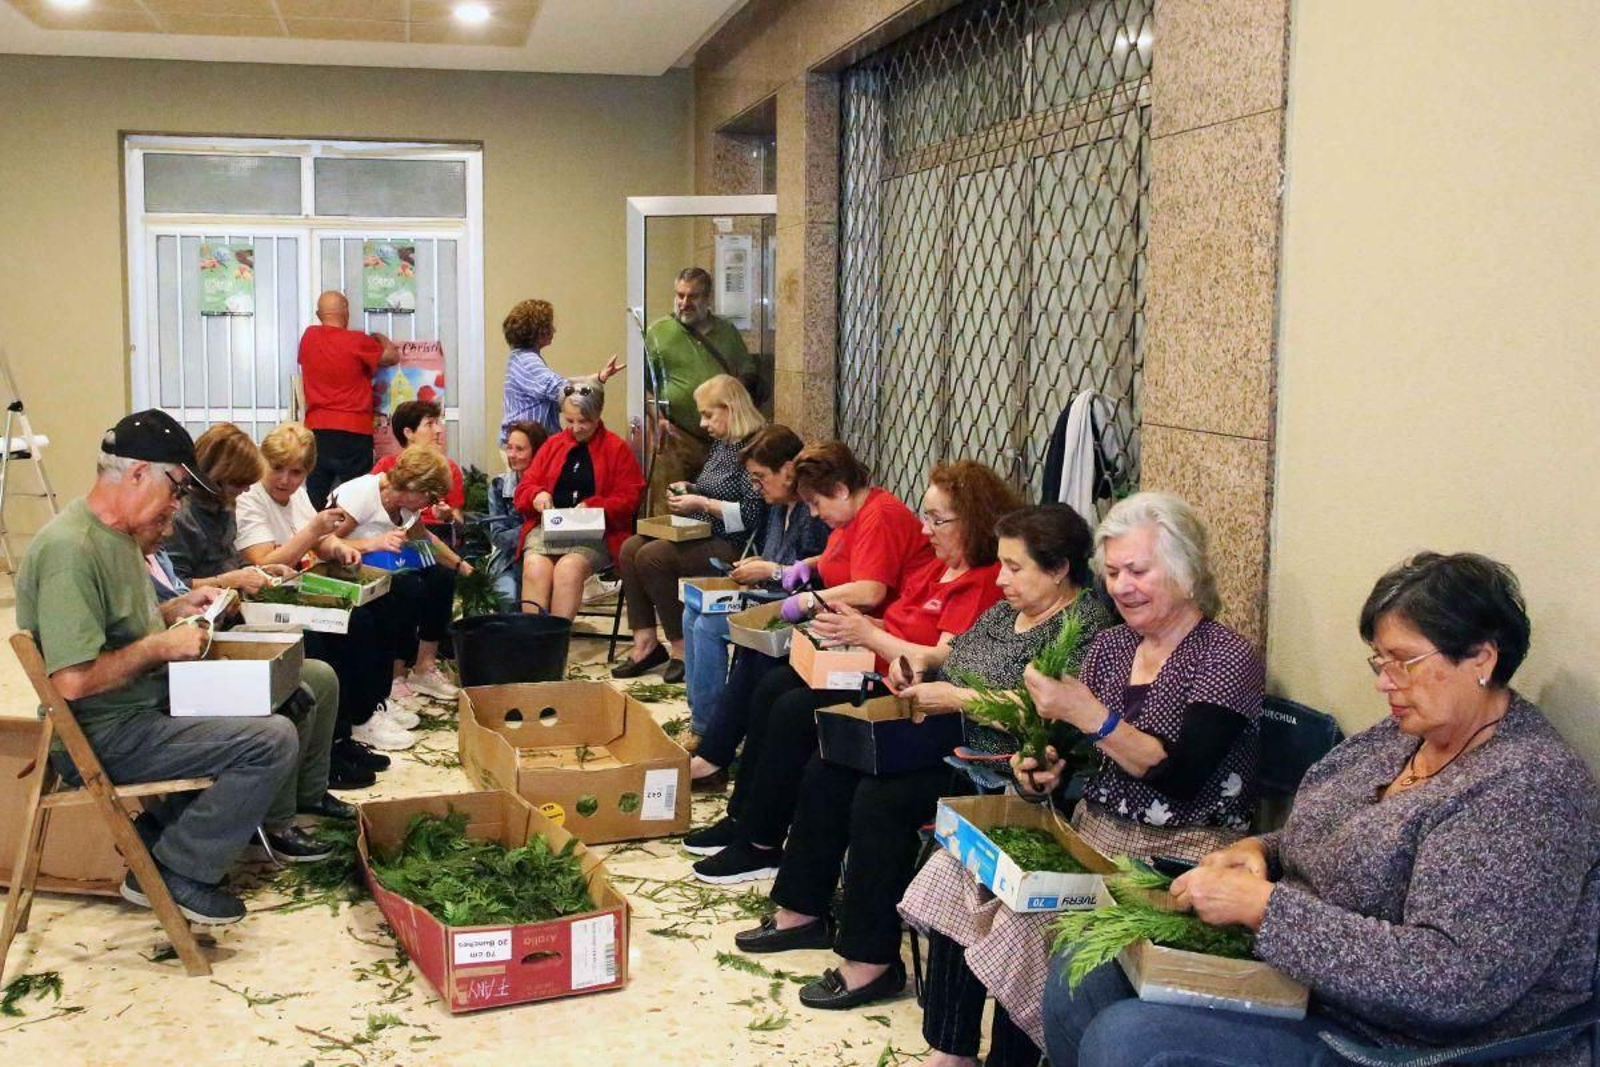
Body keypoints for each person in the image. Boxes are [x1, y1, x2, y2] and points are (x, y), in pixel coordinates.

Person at [1041, 552, 1600, 1067]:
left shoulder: (1528, 788)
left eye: (1404, 661)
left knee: (1132, 1040)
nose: (1384, 682)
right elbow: (1337, 828)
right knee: (1082, 971)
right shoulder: (1401, 736)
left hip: (1396, 1043)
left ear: (1481, 656)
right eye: (1379, 660)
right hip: (1308, 987)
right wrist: (1257, 849)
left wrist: (1266, 909)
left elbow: (1454, 981)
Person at [901, 491, 1264, 1065]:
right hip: (1091, 833)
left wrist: (1086, 713)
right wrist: (1039, 774)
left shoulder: (1225, 656)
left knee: (1026, 921)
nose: (1122, 587)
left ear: (1186, 570)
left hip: (1174, 855)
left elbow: (1180, 775)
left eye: (1138, 571)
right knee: (960, 865)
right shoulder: (1113, 646)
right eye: (1114, 572)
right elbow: (1071, 755)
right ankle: (950, 1052)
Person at [734, 504, 1114, 1013]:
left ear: (1060, 568)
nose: (1001, 578)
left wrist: (954, 699)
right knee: (831, 764)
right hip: (940, 732)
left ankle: (871, 961)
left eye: (1015, 567)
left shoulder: (1084, 626)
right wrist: (916, 670)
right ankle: (803, 908)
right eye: (1000, 564)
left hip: (994, 764)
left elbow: (1050, 716)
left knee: (881, 798)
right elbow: (954, 659)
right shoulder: (1008, 610)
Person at [13, 409, 297, 925]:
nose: (178, 502)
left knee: (285, 692)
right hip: (103, 734)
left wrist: (170, 613)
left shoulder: (117, 538)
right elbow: (72, 681)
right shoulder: (70, 550)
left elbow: (114, 633)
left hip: (140, 708)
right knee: (270, 740)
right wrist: (160, 647)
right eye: (176, 487)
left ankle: (161, 837)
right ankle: (177, 870)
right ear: (139, 472)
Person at [687, 457, 1012, 886]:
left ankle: (761, 841)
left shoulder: (981, 580)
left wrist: (865, 632)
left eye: (937, 519)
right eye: (925, 516)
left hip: (898, 691)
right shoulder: (937, 565)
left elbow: (937, 658)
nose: (924, 530)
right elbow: (895, 617)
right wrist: (848, 624)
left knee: (793, 711)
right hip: (868, 662)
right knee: (769, 685)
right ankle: (746, 820)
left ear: (973, 520)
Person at [156, 424, 350, 850]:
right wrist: (233, 578)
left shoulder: (221, 506)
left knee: (322, 677)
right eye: (239, 484)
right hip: (194, 646)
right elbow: (176, 591)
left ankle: (309, 793)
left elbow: (226, 573)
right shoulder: (180, 517)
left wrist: (258, 575)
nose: (245, 492)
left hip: (224, 624)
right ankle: (277, 825)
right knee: (289, 690)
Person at [233, 421, 398, 783]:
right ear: (263, 463)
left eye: (296, 472)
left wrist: (338, 548)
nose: (286, 480)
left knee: (369, 620)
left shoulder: (297, 495)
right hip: (264, 605)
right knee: (324, 647)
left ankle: (354, 724)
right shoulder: (249, 501)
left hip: (299, 595)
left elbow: (320, 540)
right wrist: (313, 532)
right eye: (277, 469)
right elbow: (265, 561)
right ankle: (329, 747)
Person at [681, 424, 829, 752]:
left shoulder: (813, 513)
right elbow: (774, 556)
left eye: (761, 476)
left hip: (794, 605)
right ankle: (700, 714)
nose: (756, 486)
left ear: (788, 471)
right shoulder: (776, 507)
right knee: (692, 612)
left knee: (709, 625)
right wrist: (757, 565)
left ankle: (707, 730)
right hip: (766, 593)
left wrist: (772, 571)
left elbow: (815, 576)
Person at [613, 374, 768, 684]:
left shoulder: (755, 447)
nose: (702, 423)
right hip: (703, 530)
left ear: (730, 409)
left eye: (708, 414)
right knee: (630, 548)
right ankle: (645, 641)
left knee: (652, 557)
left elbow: (753, 514)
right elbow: (714, 488)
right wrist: (690, 488)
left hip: (733, 542)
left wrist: (703, 504)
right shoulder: (723, 445)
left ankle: (681, 647)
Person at [331, 444, 474, 733]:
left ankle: (424, 667)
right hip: (346, 571)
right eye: (429, 496)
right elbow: (322, 542)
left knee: (441, 578)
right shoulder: (361, 495)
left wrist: (459, 565)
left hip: (383, 569)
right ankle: (386, 685)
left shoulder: (406, 508)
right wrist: (372, 543)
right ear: (414, 486)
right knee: (408, 588)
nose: (429, 503)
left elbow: (425, 539)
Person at [515, 377, 646, 620]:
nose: (575, 428)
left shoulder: (616, 448)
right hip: (548, 529)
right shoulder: (553, 445)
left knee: (568, 569)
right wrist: (537, 494)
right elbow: (524, 489)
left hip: (593, 533)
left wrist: (595, 505)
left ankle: (556, 641)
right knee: (535, 568)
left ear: (598, 414)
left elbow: (630, 497)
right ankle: (532, 640)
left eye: (583, 421)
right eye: (570, 420)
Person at [643, 267, 758, 508]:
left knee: (713, 503)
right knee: (670, 503)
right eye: (680, 295)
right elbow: (642, 385)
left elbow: (747, 372)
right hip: (676, 435)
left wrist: (730, 402)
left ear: (707, 299)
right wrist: (658, 418)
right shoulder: (658, 333)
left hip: (723, 440)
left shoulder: (727, 332)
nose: (684, 303)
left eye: (693, 296)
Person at [298, 290, 398, 508]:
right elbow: (391, 357)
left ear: (318, 314)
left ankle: (311, 539)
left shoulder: (308, 338)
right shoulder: (358, 341)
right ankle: (355, 540)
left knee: (314, 498)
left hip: (317, 430)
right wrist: (380, 338)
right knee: (358, 499)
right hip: (354, 430)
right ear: (346, 311)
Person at [499, 298, 622, 440]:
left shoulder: (520, 358)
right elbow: (562, 390)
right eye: (549, 326)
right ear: (539, 332)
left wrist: (599, 377)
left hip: (528, 443)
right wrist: (590, 389)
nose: (554, 330)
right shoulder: (527, 362)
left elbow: (560, 388)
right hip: (528, 447)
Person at [371, 399, 464, 527]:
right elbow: (370, 509)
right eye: (429, 424)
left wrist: (448, 517)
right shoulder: (386, 465)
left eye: (437, 423)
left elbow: (459, 524)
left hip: (435, 535)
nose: (438, 430)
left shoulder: (448, 468)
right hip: (392, 535)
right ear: (408, 433)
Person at [486, 420, 549, 609]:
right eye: (509, 448)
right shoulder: (499, 485)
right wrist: (532, 530)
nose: (511, 455)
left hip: (543, 557)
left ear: (537, 453)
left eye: (520, 449)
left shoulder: (548, 488)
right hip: (507, 560)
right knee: (508, 598)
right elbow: (498, 536)